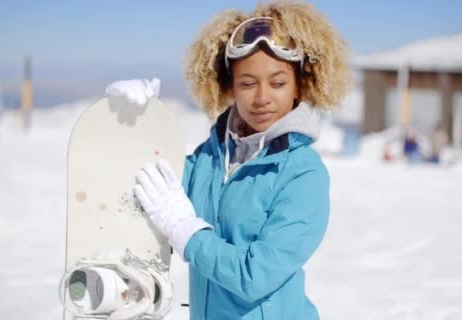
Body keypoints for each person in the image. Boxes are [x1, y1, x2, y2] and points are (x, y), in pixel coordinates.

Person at [111, 2, 350, 319]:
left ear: (299, 87)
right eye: (247, 83)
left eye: (278, 83)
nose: (262, 97)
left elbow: (255, 276)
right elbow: (148, 189)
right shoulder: (208, 159)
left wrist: (188, 233)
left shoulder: (303, 173)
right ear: (229, 88)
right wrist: (132, 121)